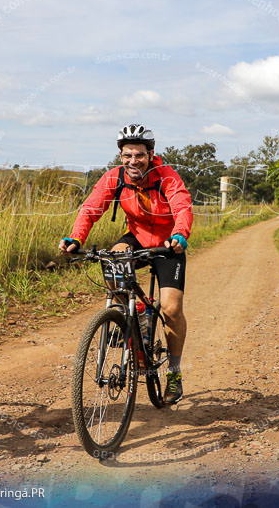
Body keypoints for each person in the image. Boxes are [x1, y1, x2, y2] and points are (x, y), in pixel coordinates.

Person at [59, 124, 193, 404]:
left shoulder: (166, 177)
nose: (133, 161)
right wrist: (75, 237)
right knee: (113, 257)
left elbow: (182, 207)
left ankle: (175, 372)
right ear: (120, 155)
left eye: (139, 155)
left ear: (151, 154)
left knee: (171, 308)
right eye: (127, 155)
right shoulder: (114, 177)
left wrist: (180, 234)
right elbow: (91, 208)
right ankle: (135, 314)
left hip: (169, 244)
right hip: (138, 237)